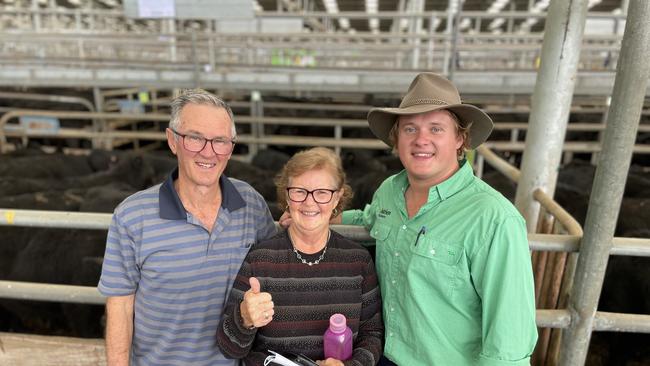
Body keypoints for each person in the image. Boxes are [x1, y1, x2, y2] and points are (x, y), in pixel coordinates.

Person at [282, 73, 538, 365]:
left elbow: (509, 343)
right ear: (397, 139)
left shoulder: (494, 219)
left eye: (436, 129)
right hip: (383, 356)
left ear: (460, 139)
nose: (421, 140)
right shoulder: (390, 190)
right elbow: (369, 220)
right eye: (410, 129)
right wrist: (315, 214)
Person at [98, 89, 277, 366]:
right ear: (172, 141)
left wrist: (302, 225)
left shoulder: (251, 205)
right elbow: (120, 308)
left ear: (231, 147)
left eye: (220, 141)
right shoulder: (132, 216)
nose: (209, 152)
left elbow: (274, 270)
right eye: (195, 138)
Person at [217, 147, 383, 366]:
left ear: (337, 198)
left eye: (322, 192)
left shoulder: (358, 260)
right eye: (299, 191)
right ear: (287, 195)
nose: (310, 202)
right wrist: (244, 319)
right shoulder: (259, 260)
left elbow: (372, 334)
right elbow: (228, 347)